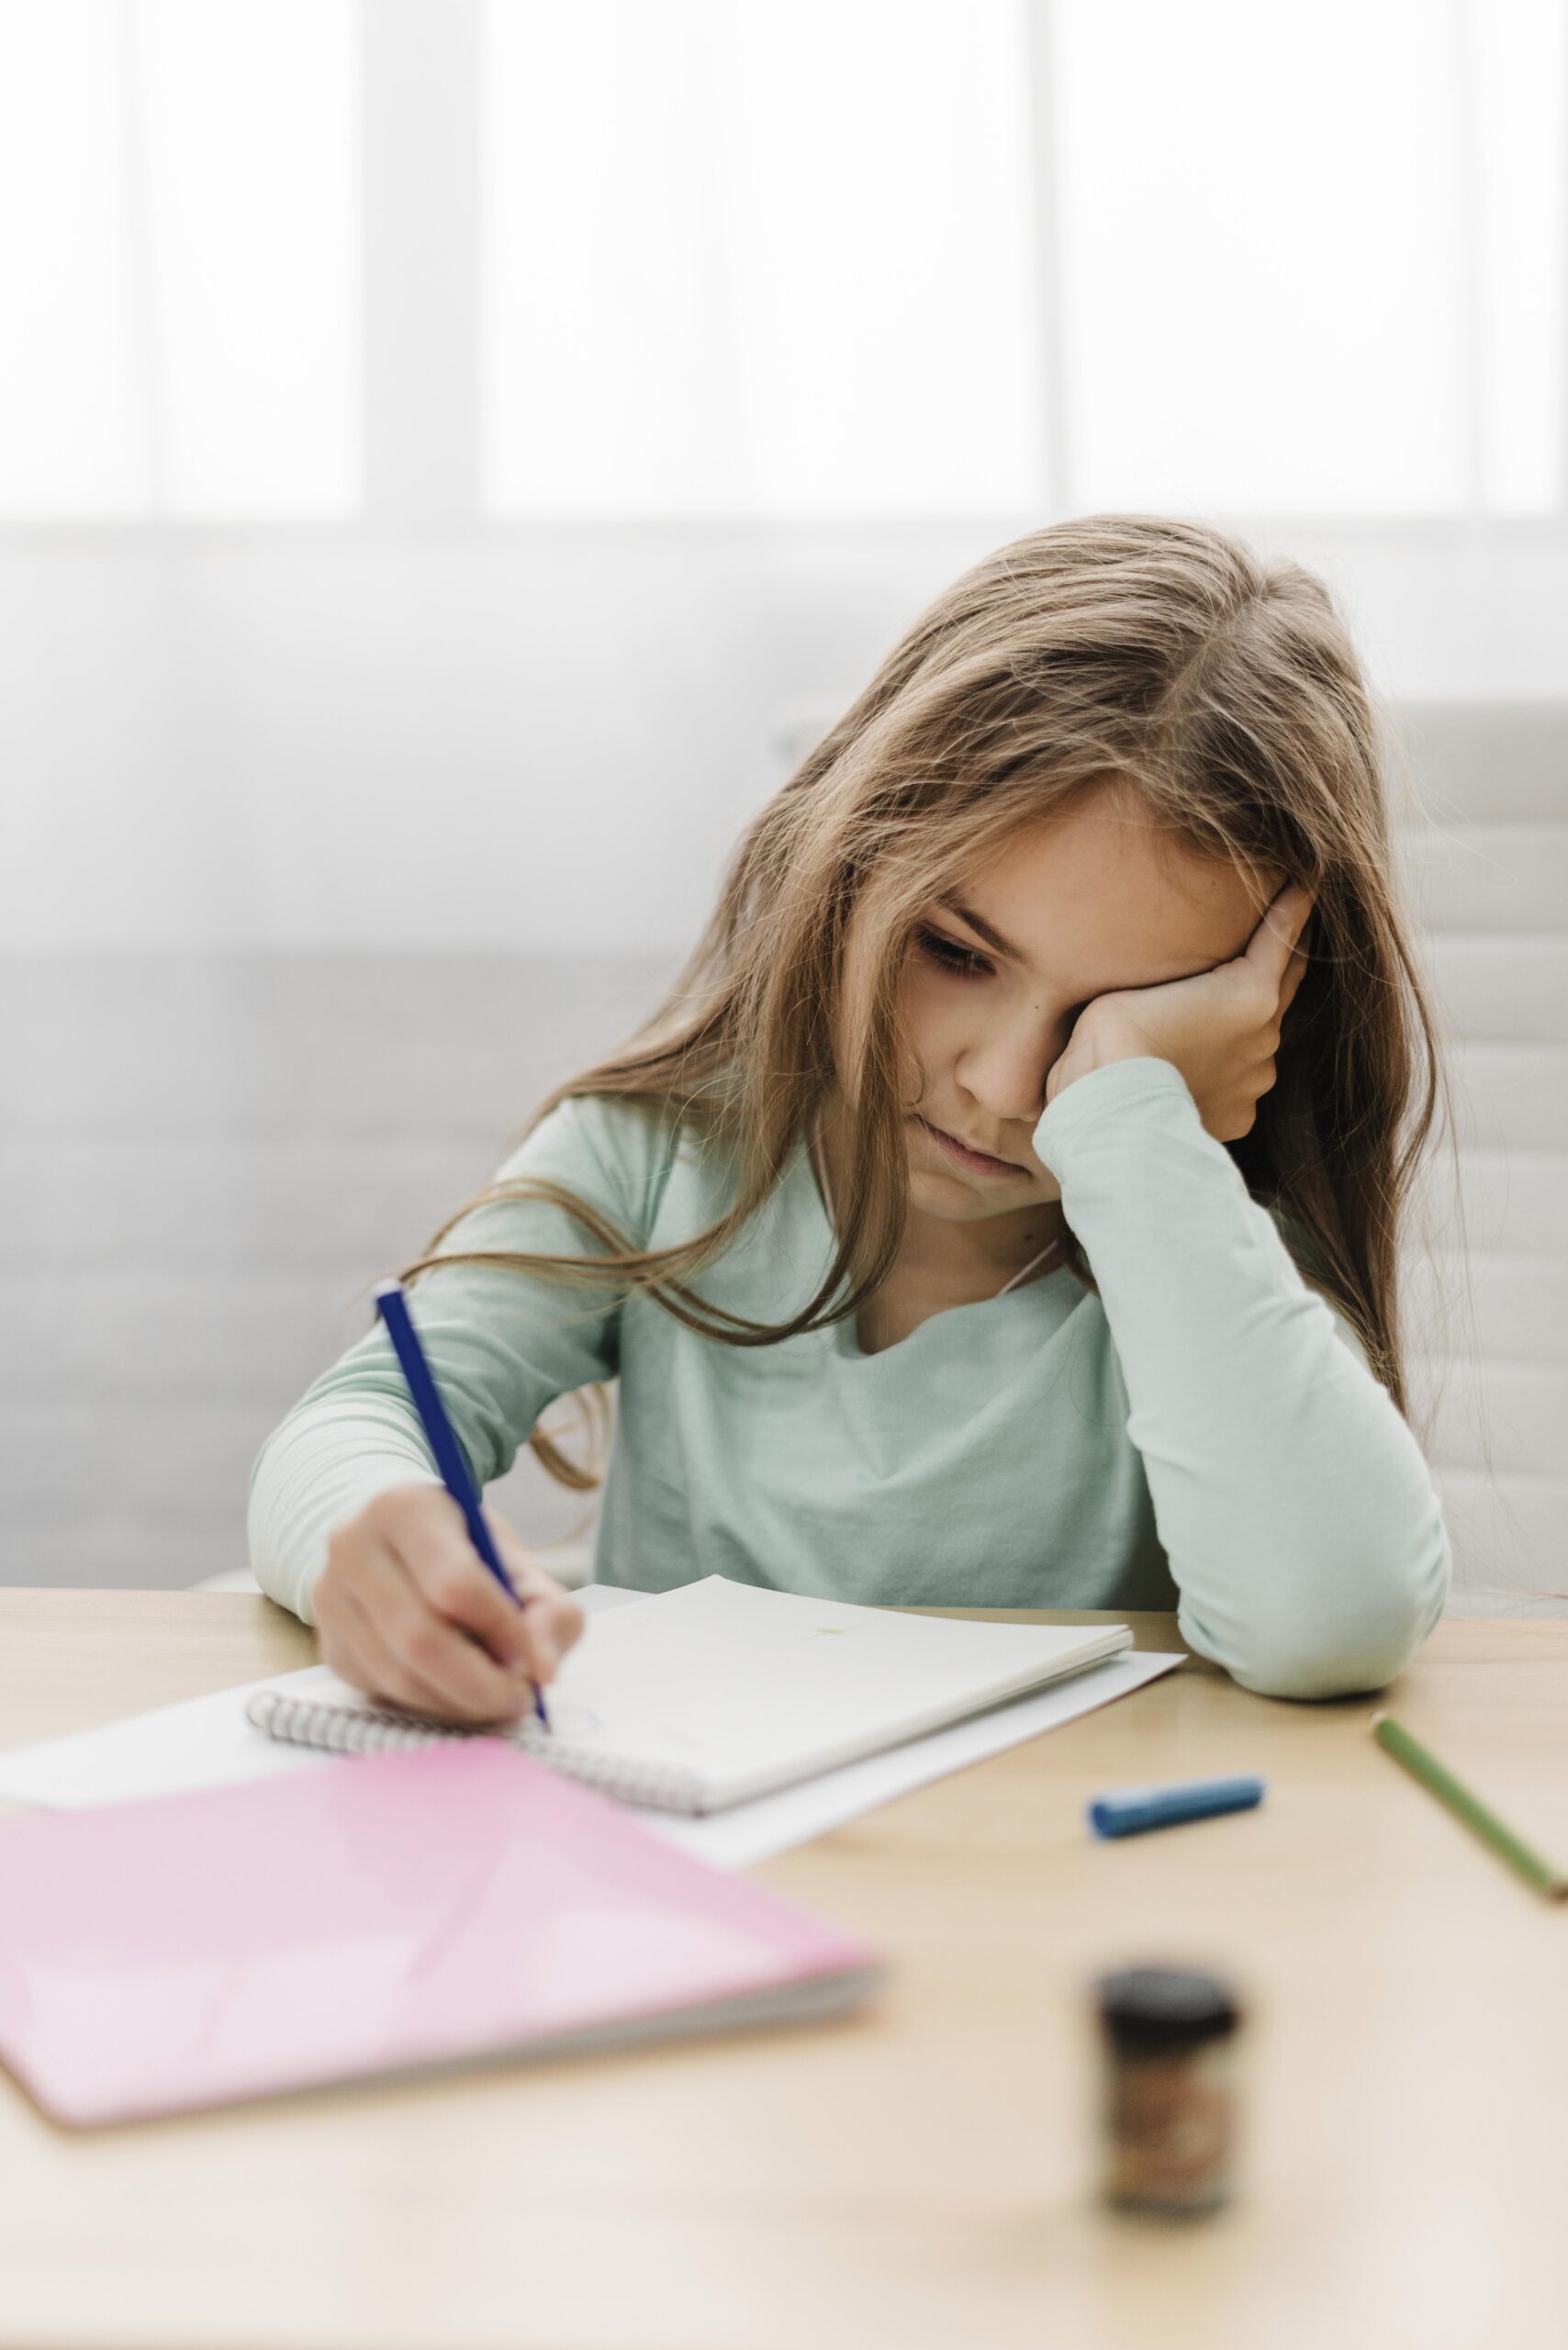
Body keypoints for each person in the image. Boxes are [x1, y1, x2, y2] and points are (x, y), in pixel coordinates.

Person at [248, 514, 1454, 1719]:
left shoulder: (1204, 1250)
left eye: (1113, 1024)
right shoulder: (664, 1157)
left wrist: (1132, 1124)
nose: (1004, 1086)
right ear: (841, 868)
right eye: (955, 953)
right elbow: (355, 1425)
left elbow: (1334, 1619)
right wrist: (376, 1531)